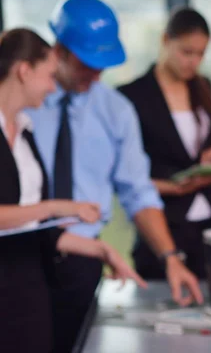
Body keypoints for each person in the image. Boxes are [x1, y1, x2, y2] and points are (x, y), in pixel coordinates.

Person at [26, 0, 202, 353]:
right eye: (85, 62)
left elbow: (138, 192)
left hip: (82, 262)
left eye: (101, 64)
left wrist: (170, 257)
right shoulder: (24, 103)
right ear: (58, 50)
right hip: (20, 258)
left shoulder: (116, 112)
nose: (95, 72)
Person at [0, 28, 146, 353]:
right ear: (24, 71)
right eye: (48, 75)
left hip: (29, 287)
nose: (52, 87)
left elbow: (35, 230)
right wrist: (58, 207)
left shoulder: (25, 134)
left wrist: (102, 250)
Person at [119, 7, 211, 281]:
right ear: (165, 41)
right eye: (186, 52)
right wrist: (172, 187)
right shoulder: (131, 97)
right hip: (163, 222)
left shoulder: (203, 87)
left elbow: (203, 148)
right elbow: (126, 175)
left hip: (208, 222)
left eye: (201, 54)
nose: (193, 62)